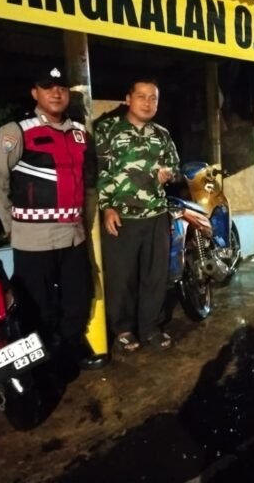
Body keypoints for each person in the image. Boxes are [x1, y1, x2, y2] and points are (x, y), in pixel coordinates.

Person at [0, 66, 97, 377]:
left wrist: (84, 226)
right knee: (37, 304)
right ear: (36, 93)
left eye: (60, 87)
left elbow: (89, 188)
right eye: (48, 87)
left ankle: (71, 348)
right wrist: (12, 224)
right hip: (33, 239)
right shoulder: (17, 131)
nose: (56, 92)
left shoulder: (79, 134)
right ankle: (44, 362)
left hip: (73, 235)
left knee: (78, 297)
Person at [94, 78, 180, 352]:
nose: (147, 102)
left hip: (156, 215)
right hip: (122, 216)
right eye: (141, 96)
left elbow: (175, 169)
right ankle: (123, 329)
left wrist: (170, 175)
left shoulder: (162, 134)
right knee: (122, 278)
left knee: (155, 276)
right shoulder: (108, 130)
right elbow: (99, 171)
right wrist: (106, 206)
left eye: (153, 98)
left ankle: (150, 328)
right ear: (128, 99)